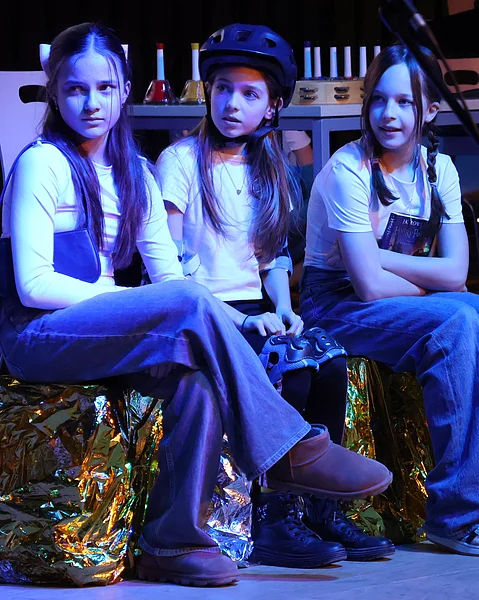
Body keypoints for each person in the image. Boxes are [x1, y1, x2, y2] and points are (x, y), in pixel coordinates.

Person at [0, 22, 391, 587]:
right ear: (55, 93)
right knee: (179, 299)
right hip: (38, 335)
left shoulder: (135, 172)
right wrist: (138, 301)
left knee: (199, 381)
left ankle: (173, 541)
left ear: (125, 89)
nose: (91, 103)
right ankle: (291, 448)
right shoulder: (44, 162)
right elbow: (34, 286)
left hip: (102, 329)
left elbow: (173, 281)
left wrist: (241, 319)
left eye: (105, 88)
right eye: (75, 89)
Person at [301, 43, 479, 557]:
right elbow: (368, 286)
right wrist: (432, 286)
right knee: (456, 321)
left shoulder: (439, 169)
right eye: (379, 100)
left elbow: (457, 272)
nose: (389, 114)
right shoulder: (347, 169)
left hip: (404, 296)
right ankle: (460, 515)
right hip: (336, 303)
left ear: (432, 110)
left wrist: (381, 258)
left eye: (405, 102)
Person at [157, 23, 394, 567]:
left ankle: (319, 507)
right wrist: (242, 321)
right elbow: (170, 266)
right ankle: (272, 517)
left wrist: (284, 308)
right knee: (292, 370)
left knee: (329, 362)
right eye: (223, 89)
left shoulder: (272, 168)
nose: (232, 104)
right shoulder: (181, 161)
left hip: (256, 308)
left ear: (273, 106)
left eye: (249, 94)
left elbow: (274, 255)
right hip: (201, 311)